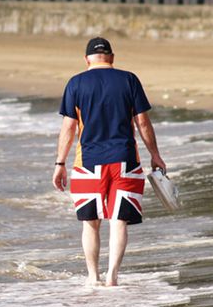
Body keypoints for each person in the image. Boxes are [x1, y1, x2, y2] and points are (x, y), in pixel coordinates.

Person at [53, 37, 166, 287]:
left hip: (87, 164)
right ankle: (113, 276)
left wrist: (59, 163)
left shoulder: (76, 83)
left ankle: (93, 277)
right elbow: (143, 122)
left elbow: (69, 127)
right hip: (125, 160)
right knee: (119, 221)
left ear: (86, 60)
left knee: (90, 224)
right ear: (112, 57)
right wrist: (155, 154)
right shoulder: (129, 80)